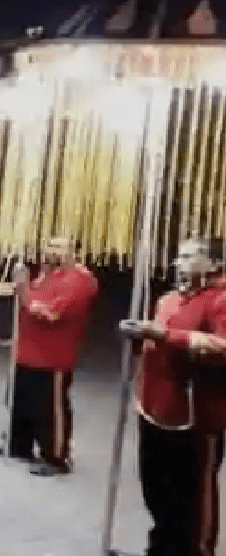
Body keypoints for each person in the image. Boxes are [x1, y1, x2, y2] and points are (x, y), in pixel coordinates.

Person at [119, 237, 226, 556]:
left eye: (189, 256)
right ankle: (163, 546)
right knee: (157, 486)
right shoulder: (169, 299)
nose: (179, 262)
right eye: (179, 256)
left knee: (192, 491)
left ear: (215, 264)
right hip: (156, 406)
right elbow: (156, 342)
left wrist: (166, 335)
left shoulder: (220, 299)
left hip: (195, 413)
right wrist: (139, 337)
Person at [0, 236, 99, 476]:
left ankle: (56, 456)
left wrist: (24, 289)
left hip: (52, 355)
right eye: (49, 247)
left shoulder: (79, 280)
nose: (50, 252)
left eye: (57, 247)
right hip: (28, 350)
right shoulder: (48, 274)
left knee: (50, 408)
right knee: (22, 401)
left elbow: (49, 313)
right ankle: (19, 445)